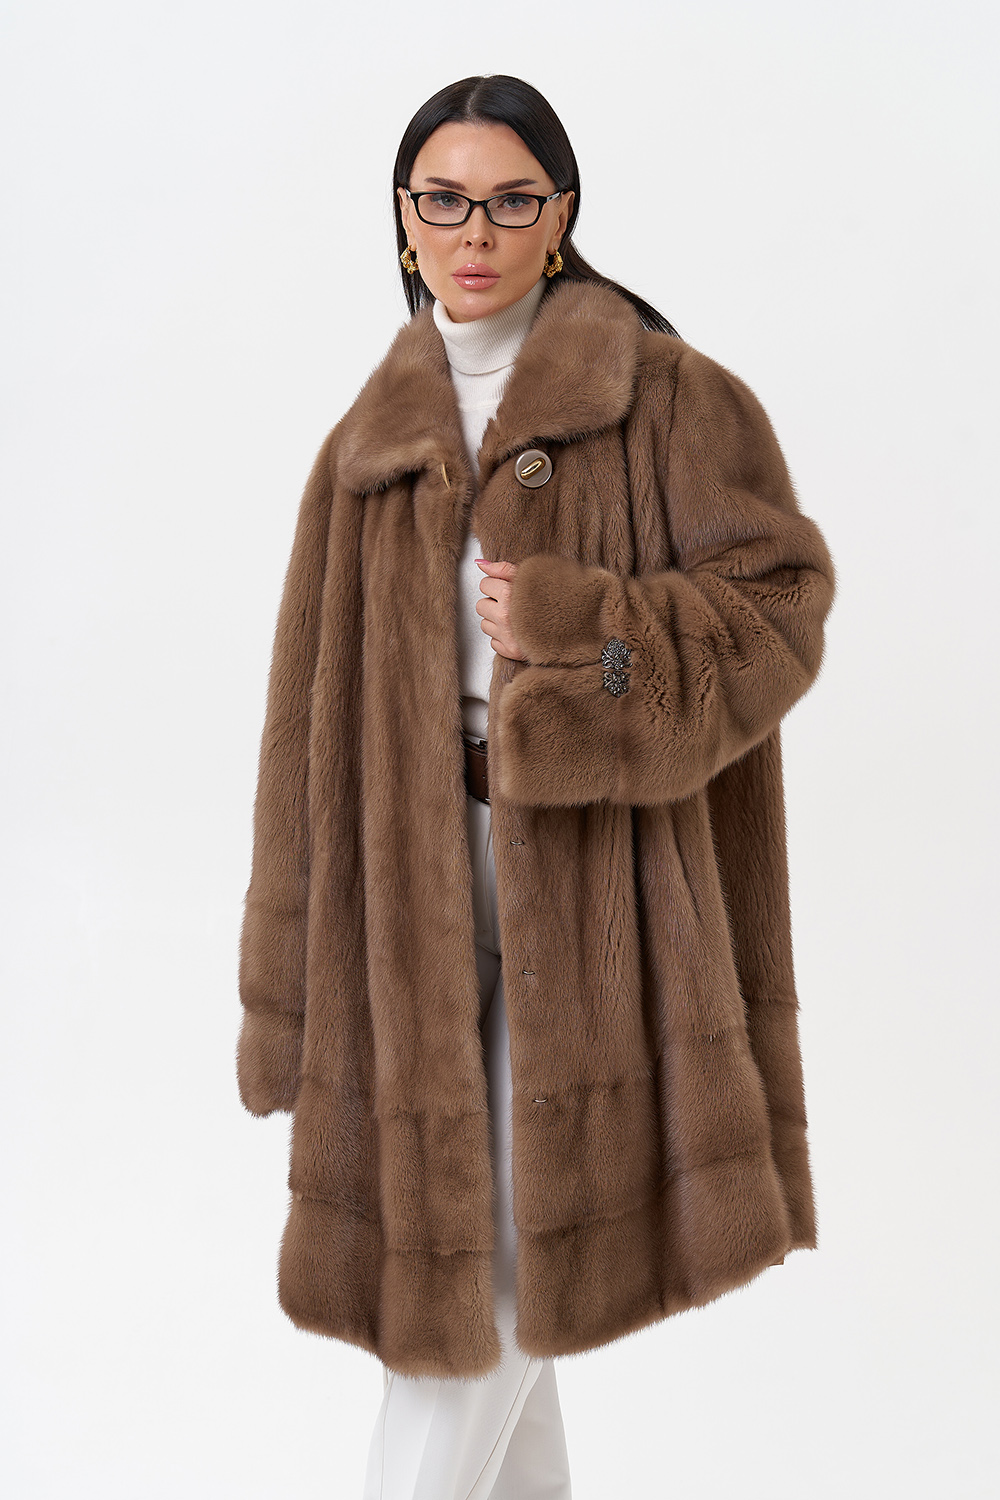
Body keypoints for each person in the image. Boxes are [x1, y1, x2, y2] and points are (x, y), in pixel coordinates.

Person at [235, 74, 837, 1500]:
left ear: (561, 215)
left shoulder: (666, 397)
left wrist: (590, 637)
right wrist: (285, 983)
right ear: (402, 217)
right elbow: (303, 728)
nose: (475, 232)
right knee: (484, 1281)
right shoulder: (369, 442)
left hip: (594, 887)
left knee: (490, 1275)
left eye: (511, 200)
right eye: (443, 199)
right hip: (411, 890)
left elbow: (777, 611)